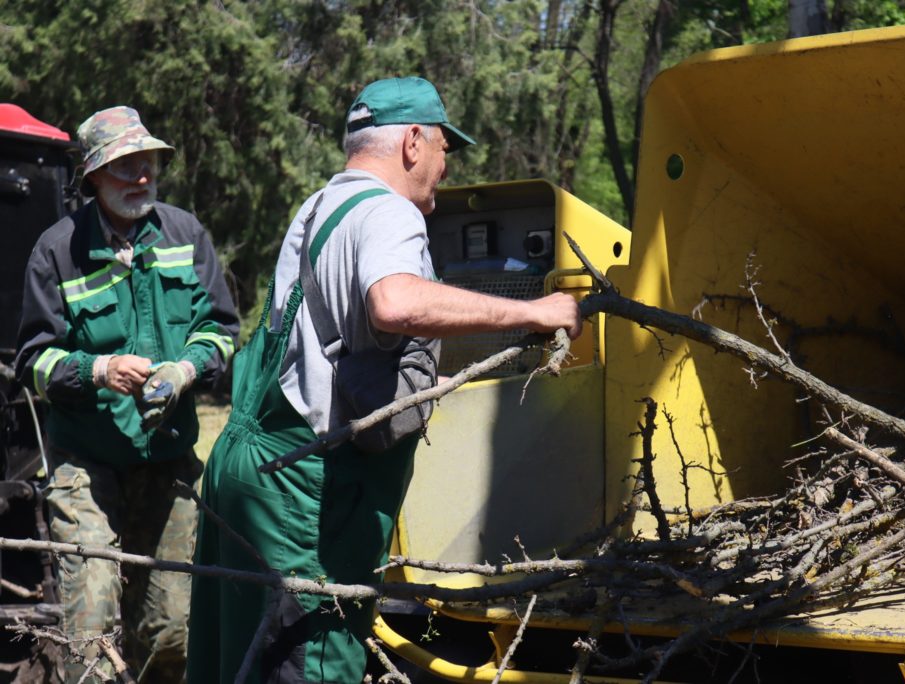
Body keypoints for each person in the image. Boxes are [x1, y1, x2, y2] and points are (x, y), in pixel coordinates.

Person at [187, 76, 581, 682]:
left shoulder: (319, 205)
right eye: (447, 148)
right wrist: (535, 311)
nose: (446, 167)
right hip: (308, 488)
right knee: (312, 658)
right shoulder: (389, 210)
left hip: (247, 465)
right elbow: (394, 304)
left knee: (239, 658)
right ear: (414, 142)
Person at [14, 106, 240, 682]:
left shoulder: (184, 234)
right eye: (124, 166)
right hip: (86, 466)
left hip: (167, 464)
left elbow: (221, 329)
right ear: (92, 177)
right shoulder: (57, 249)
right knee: (89, 629)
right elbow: (33, 362)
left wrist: (187, 370)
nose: (142, 175)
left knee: (171, 633)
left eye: (149, 163)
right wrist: (99, 368)